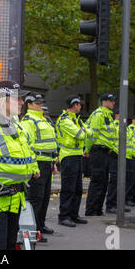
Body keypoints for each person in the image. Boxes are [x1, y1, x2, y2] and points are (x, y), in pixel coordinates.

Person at [0, 80, 39, 250]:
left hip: (13, 203)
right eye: (17, 98)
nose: (21, 102)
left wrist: (33, 169)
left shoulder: (14, 126)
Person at [85, 93, 130, 215]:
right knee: (97, 180)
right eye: (111, 101)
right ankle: (91, 209)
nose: (113, 103)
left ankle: (98, 209)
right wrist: (87, 150)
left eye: (113, 100)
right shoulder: (98, 114)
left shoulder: (108, 115)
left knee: (103, 181)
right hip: (98, 150)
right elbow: (92, 134)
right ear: (104, 102)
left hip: (106, 152)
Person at [20, 92, 57, 240]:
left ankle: (40, 225)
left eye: (41, 103)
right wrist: (33, 166)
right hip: (38, 164)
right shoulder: (29, 121)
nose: (40, 106)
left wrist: (53, 160)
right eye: (37, 103)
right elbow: (28, 145)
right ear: (29, 105)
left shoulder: (43, 119)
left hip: (47, 162)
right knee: (36, 198)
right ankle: (33, 230)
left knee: (45, 197)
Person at [56, 95, 91, 227]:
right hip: (68, 156)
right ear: (74, 105)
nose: (81, 106)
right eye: (79, 104)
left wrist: (84, 131)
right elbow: (81, 134)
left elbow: (90, 132)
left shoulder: (77, 120)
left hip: (77, 155)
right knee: (68, 189)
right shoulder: (65, 120)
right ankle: (64, 216)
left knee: (77, 189)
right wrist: (83, 131)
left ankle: (73, 215)